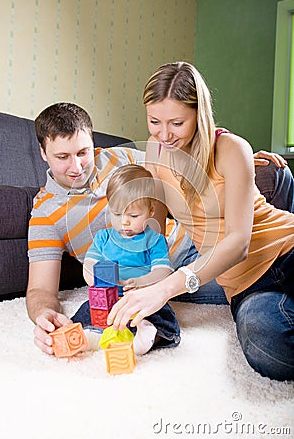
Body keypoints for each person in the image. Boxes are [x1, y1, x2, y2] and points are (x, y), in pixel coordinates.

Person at [26, 102, 292, 358]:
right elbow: (40, 290)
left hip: (193, 246)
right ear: (43, 152)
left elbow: (189, 162)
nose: (76, 167)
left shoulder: (122, 158)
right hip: (153, 278)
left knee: (276, 175)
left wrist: (240, 162)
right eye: (62, 157)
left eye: (83, 152)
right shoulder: (45, 214)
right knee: (258, 300)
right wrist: (44, 316)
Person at [107, 62, 294, 381]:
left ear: (199, 115)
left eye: (177, 123)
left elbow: (239, 243)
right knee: (266, 346)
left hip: (286, 250)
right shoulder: (156, 152)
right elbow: (156, 227)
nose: (164, 134)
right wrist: (147, 274)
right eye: (154, 121)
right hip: (248, 287)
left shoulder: (230, 149)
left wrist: (167, 287)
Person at [72, 164, 180, 354]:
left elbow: (163, 271)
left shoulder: (155, 240)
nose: (124, 222)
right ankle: (93, 334)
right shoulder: (103, 237)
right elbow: (89, 264)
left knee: (163, 316)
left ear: (151, 210)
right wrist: (98, 282)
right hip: (108, 297)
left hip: (141, 298)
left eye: (133, 215)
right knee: (86, 310)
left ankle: (147, 336)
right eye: (117, 213)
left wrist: (143, 282)